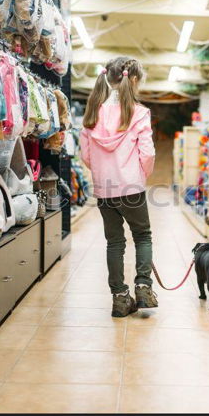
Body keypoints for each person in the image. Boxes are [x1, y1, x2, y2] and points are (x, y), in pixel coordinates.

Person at [80, 57, 158, 317]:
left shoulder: (92, 113)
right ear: (132, 79)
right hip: (131, 186)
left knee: (114, 242)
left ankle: (120, 298)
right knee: (142, 235)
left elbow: (86, 155)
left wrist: (101, 174)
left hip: (104, 189)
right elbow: (147, 153)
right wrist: (140, 175)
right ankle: (144, 288)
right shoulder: (139, 112)